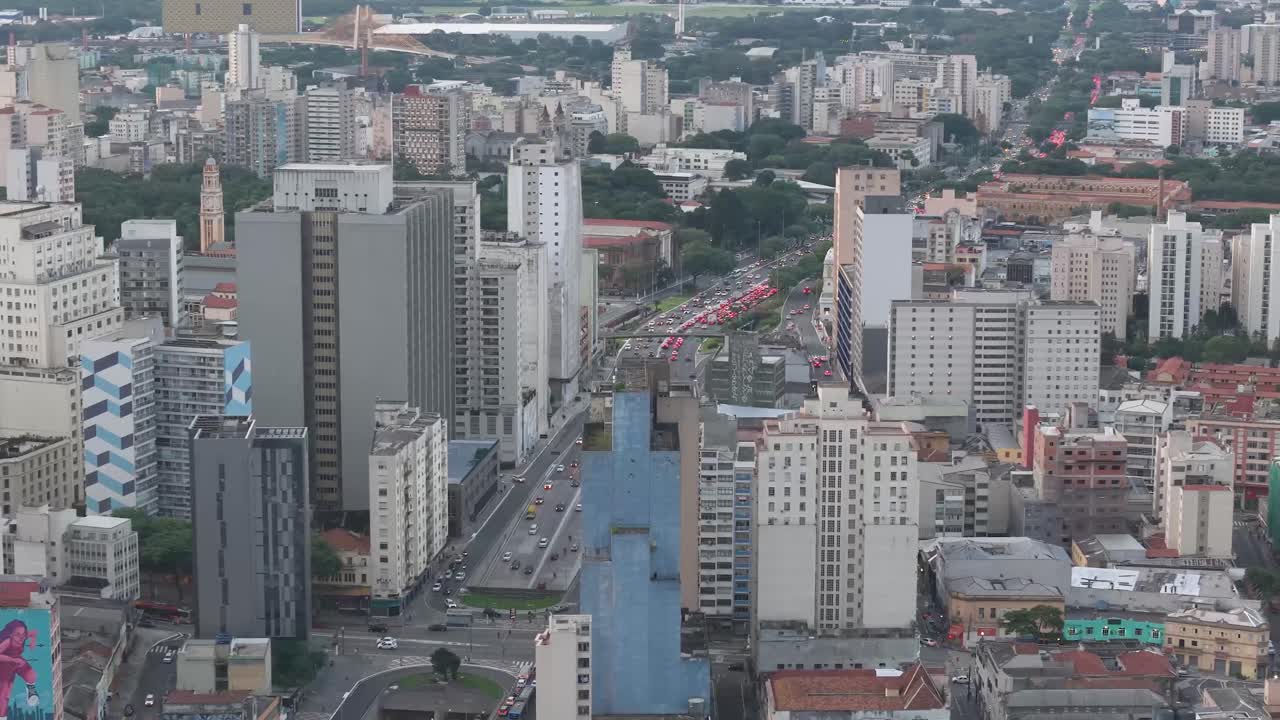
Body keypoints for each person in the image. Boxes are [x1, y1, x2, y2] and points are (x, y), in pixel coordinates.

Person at [0, 619, 40, 719]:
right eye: (17, 635)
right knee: (4, 695)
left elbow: (34, 632)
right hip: (3, 665)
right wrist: (11, 660)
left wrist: (33, 641)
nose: (21, 638)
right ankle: (2, 717)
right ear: (10, 634)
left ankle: (31, 690)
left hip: (16, 660)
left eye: (23, 634)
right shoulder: (7, 642)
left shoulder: (23, 636)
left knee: (31, 674)